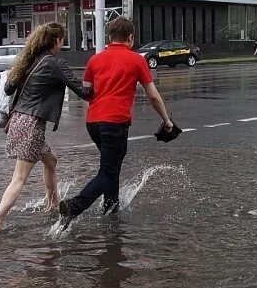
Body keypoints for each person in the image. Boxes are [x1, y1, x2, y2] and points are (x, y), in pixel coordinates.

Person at [59, 17, 174, 223]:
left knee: (112, 167)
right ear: (130, 38)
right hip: (115, 123)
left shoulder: (94, 60)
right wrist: (166, 120)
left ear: (110, 37)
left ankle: (111, 208)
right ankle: (75, 205)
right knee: (107, 172)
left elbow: (86, 92)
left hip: (93, 122)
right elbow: (153, 95)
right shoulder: (137, 60)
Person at [0, 23, 92, 235]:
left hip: (17, 120)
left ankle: (53, 201)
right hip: (32, 124)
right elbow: (82, 91)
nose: (61, 44)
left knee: (51, 160)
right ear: (56, 41)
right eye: (61, 40)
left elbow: (8, 89)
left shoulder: (26, 61)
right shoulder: (55, 64)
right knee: (19, 178)